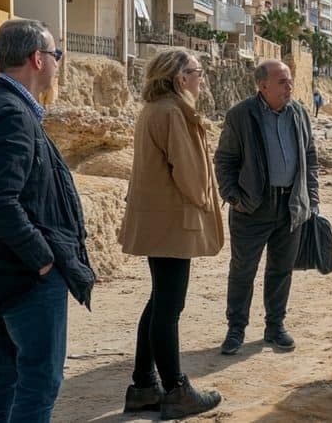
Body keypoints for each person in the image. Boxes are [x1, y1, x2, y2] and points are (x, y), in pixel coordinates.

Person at [0, 18, 94, 422]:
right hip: (23, 275)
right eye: (56, 55)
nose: (58, 63)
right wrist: (43, 259)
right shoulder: (12, 113)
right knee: (39, 380)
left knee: (6, 372)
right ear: (37, 59)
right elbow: (0, 200)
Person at [119, 49, 225, 419]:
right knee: (169, 305)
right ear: (181, 78)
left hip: (158, 220)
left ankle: (144, 385)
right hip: (171, 222)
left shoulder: (157, 109)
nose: (201, 79)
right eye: (197, 72)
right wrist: (205, 198)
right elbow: (190, 175)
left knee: (159, 301)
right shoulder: (173, 112)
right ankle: (176, 389)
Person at [214, 59, 319, 355]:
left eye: (290, 81)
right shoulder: (241, 115)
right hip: (252, 208)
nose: (290, 86)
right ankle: (235, 329)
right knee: (242, 270)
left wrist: (310, 196)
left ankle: (275, 327)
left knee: (281, 269)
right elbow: (224, 160)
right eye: (283, 82)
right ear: (263, 86)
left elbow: (310, 156)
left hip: (290, 205)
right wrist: (234, 197)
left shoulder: (298, 112)